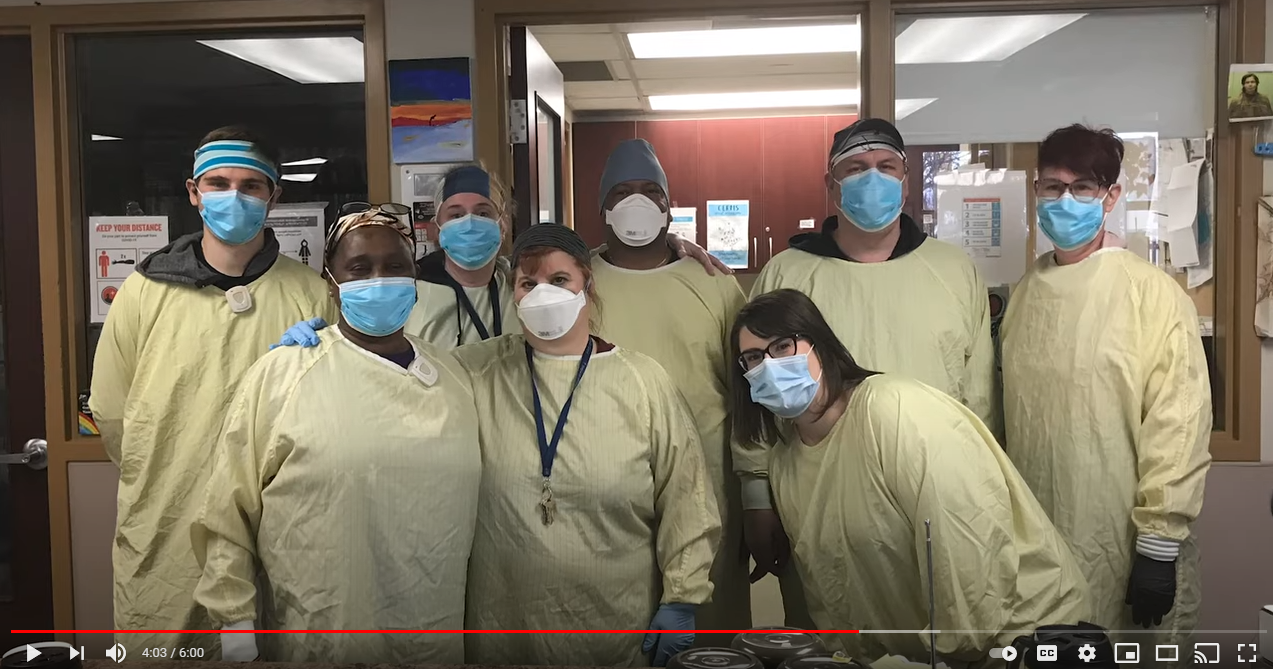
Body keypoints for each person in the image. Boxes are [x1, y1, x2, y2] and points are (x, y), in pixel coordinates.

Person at [729, 288, 1090, 665]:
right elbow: (834, 588)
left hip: (1028, 639)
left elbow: (970, 550)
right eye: (753, 358)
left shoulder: (892, 411)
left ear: (820, 344)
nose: (769, 365)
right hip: (936, 654)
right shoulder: (787, 462)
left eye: (783, 347)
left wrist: (949, 650)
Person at [191, 207, 480, 664]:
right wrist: (236, 627)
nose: (379, 280)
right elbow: (228, 513)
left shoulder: (455, 379)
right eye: (360, 269)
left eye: (396, 267)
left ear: (415, 278)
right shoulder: (283, 375)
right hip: (320, 633)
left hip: (431, 633)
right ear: (331, 282)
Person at [740, 117, 999, 627]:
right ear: (830, 185)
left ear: (906, 180)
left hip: (934, 499)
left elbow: (979, 401)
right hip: (817, 502)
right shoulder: (789, 272)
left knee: (933, 629)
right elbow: (755, 394)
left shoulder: (953, 272)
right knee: (830, 635)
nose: (871, 178)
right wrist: (756, 496)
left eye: (886, 167)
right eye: (855, 168)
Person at [88, 126, 336, 656]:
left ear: (275, 196)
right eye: (218, 183)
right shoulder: (144, 291)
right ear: (194, 193)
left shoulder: (311, 297)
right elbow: (112, 415)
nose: (234, 197)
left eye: (251, 185)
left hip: (274, 531)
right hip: (166, 525)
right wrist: (163, 472)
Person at [454, 223, 721, 667]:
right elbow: (406, 373)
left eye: (559, 281)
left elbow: (687, 496)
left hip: (614, 627)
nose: (543, 294)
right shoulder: (478, 371)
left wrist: (683, 595)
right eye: (529, 283)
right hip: (504, 628)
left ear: (588, 287)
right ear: (513, 294)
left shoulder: (642, 381)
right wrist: (328, 344)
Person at [1001, 124, 1211, 660]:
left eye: (1083, 188)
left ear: (1111, 196)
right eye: (1052, 187)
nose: (1064, 200)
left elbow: (1179, 423)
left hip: (1124, 543)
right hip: (1038, 541)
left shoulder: (1152, 295)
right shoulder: (1026, 296)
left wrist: (1159, 544)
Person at [274, 164, 730, 350]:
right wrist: (318, 340)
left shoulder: (525, 283)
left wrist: (671, 246)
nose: (469, 223)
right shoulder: (405, 287)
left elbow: (585, 270)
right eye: (455, 214)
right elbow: (361, 334)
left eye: (483, 212)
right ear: (435, 227)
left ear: (503, 224)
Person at [590, 138, 750, 645]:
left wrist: (757, 492)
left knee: (710, 625)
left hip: (705, 481)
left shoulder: (714, 284)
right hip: (603, 478)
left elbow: (747, 396)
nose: (636, 202)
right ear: (603, 207)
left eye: (649, 192)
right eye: (621, 191)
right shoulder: (575, 282)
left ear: (667, 205)